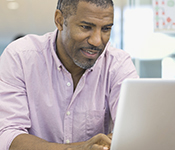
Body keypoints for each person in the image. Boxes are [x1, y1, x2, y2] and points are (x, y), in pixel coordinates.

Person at [0, 0, 139, 149]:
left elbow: (135, 133)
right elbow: (8, 136)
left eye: (105, 29)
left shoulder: (118, 64)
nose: (97, 41)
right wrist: (79, 148)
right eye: (86, 27)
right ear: (59, 20)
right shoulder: (20, 57)